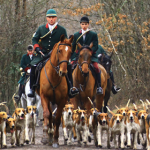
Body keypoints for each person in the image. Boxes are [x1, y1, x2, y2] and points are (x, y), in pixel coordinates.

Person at [28, 9, 79, 98]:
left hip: (57, 55)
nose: (51, 19)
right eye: (49, 17)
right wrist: (36, 48)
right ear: (47, 18)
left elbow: (66, 42)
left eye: (53, 17)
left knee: (69, 65)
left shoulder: (61, 29)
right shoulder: (41, 28)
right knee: (34, 65)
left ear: (56, 18)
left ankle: (71, 88)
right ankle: (32, 88)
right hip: (43, 53)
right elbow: (34, 39)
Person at [71, 16, 103, 94]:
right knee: (70, 68)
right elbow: (73, 47)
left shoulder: (93, 34)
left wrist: (90, 52)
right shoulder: (76, 35)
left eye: (85, 24)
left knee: (96, 67)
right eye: (82, 24)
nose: (84, 26)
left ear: (88, 24)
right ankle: (71, 87)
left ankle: (99, 87)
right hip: (80, 56)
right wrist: (72, 58)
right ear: (80, 25)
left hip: (90, 56)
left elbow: (95, 46)